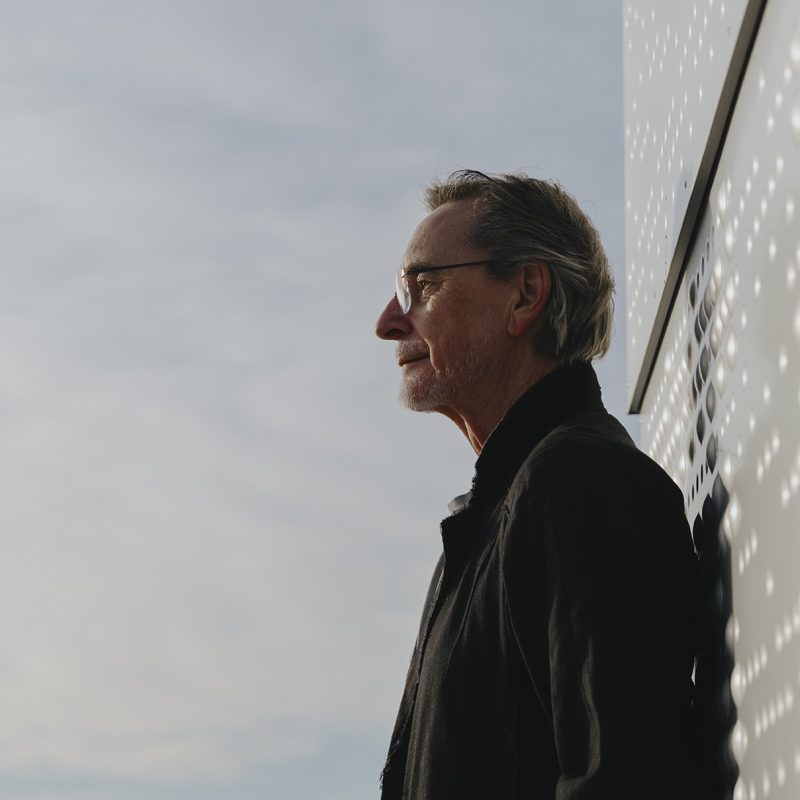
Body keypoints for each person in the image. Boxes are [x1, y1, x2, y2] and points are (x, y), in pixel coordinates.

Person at [374, 170, 701, 799]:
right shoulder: (500, 511)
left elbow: (625, 778)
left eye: (422, 286)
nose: (389, 322)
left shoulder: (577, 482)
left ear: (526, 295)